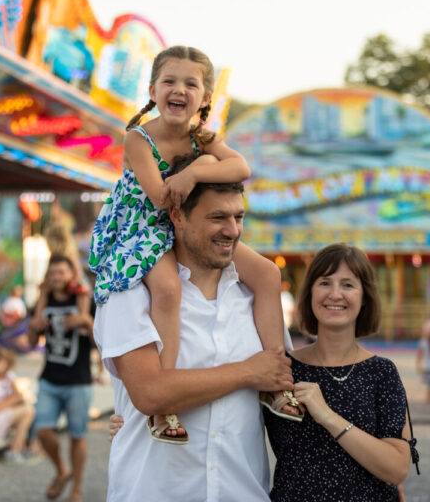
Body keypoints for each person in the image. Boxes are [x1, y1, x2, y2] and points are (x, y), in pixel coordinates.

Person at [88, 45, 297, 444]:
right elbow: (161, 199)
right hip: (145, 230)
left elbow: (242, 168)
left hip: (186, 227)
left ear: (204, 98)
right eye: (170, 81)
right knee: (167, 289)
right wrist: (195, 175)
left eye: (190, 83)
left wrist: (199, 167)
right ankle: (164, 400)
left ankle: (275, 378)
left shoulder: (202, 139)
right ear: (153, 90)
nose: (179, 89)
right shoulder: (137, 139)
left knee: (268, 274)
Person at [94, 153, 294, 501]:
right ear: (177, 215)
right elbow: (150, 394)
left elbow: (287, 379)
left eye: (238, 216)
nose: (232, 230)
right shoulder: (129, 292)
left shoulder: (255, 293)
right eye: (217, 217)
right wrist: (248, 372)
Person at [264, 243, 413, 501]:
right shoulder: (282, 369)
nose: (335, 294)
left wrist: (328, 416)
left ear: (364, 296)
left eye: (348, 285)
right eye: (324, 283)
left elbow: (397, 468)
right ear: (309, 292)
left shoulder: (382, 372)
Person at [27, 255, 94, 502]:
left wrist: (86, 320)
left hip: (79, 381)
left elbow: (101, 342)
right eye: (52, 273)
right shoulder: (44, 301)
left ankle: (76, 490)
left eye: (61, 273)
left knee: (78, 436)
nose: (56, 277)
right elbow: (30, 342)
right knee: (42, 431)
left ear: (70, 275)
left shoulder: (85, 301)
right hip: (49, 379)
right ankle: (61, 470)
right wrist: (34, 326)